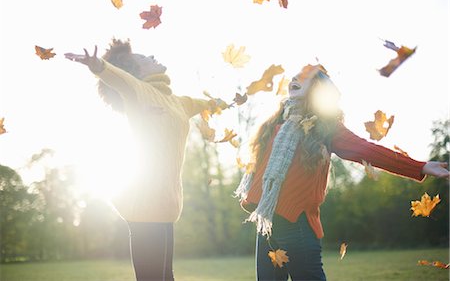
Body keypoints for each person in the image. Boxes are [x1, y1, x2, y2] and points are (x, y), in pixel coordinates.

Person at [234, 64, 449, 281]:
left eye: (303, 77)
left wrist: (418, 166)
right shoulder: (276, 122)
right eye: (293, 77)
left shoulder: (326, 128)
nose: (294, 79)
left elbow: (368, 150)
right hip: (267, 225)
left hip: (297, 225)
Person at [65, 39, 217, 281]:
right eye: (144, 58)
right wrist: (98, 66)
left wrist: (220, 103)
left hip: (167, 205)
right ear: (135, 70)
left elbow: (202, 104)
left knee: (167, 277)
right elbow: (118, 79)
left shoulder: (177, 102)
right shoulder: (137, 92)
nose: (152, 57)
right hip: (145, 204)